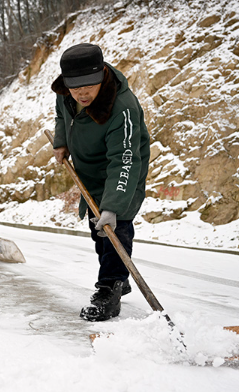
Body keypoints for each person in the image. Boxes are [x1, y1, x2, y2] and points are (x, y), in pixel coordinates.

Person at [51, 43, 150, 321]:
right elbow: (62, 114)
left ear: (102, 75)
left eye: (89, 86)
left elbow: (125, 160)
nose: (82, 93)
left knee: (115, 226)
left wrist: (114, 205)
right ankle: (118, 276)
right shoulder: (67, 94)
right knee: (99, 230)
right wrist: (61, 142)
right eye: (75, 87)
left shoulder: (122, 107)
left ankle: (109, 288)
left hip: (124, 170)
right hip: (89, 171)